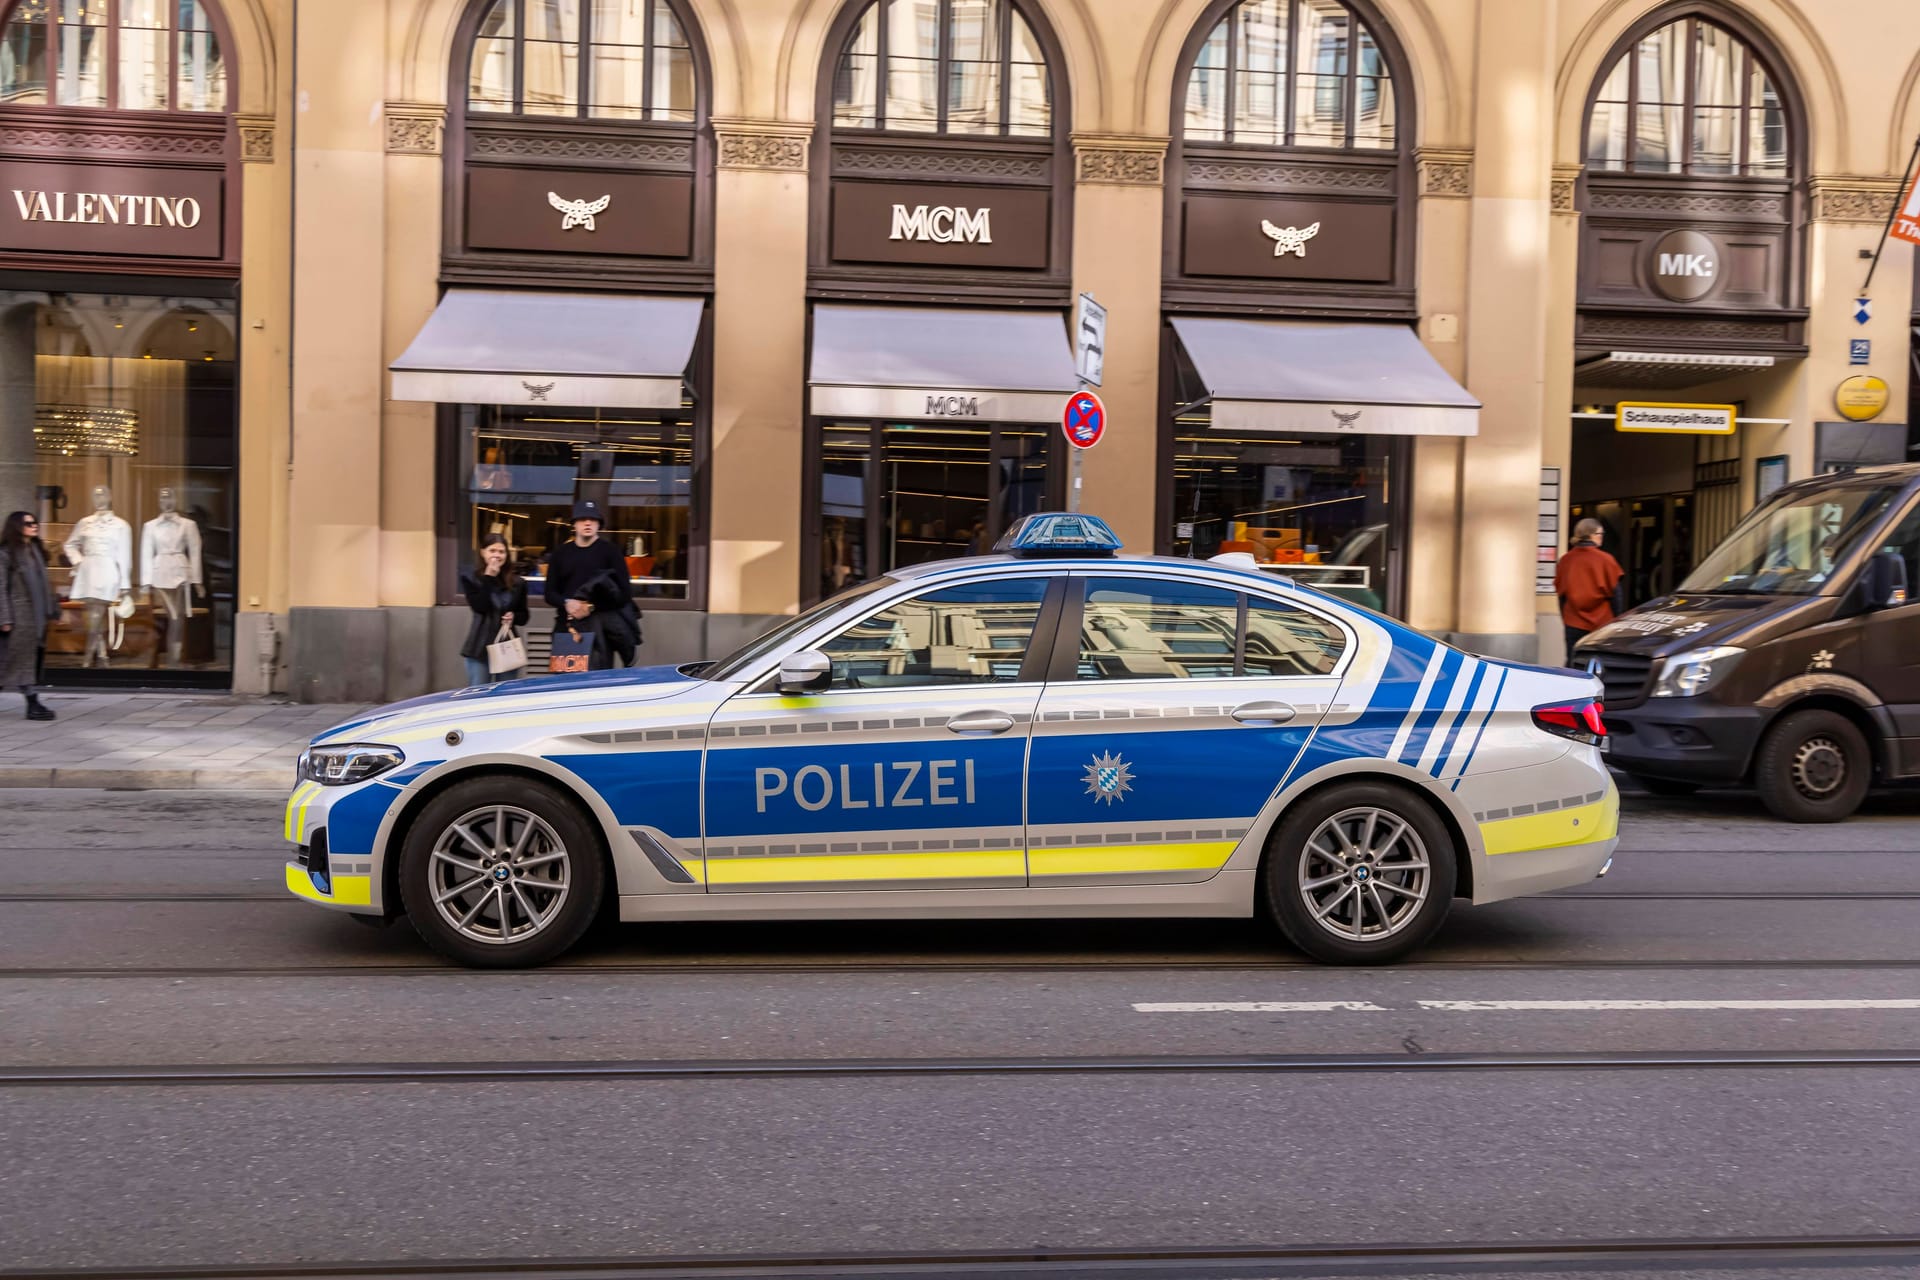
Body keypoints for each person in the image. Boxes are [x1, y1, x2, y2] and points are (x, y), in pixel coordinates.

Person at [543, 500, 636, 671]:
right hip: (567, 629)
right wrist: (567, 603)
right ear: (574, 524)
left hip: (601, 631)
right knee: (564, 685)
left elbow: (625, 594)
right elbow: (549, 593)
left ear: (599, 524)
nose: (587, 523)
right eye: (582, 519)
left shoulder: (611, 552)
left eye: (593, 519)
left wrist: (591, 607)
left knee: (597, 687)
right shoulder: (560, 554)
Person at [0, 511, 62, 721]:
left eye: (35, 522)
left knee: (17, 661)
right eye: (28, 523)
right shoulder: (6, 554)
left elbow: (44, 585)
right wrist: (5, 619)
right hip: (17, 615)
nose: (34, 525)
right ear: (16, 526)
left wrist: (52, 609)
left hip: (35, 616)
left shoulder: (35, 550)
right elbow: (1, 589)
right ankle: (32, 702)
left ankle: (32, 702)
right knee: (16, 661)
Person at [459, 533, 528, 686]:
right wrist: (489, 577)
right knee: (479, 694)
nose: (497, 555)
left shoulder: (518, 583)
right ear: (483, 552)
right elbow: (480, 607)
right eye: (492, 551)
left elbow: (524, 617)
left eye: (501, 552)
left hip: (506, 647)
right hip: (479, 647)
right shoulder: (471, 578)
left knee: (505, 694)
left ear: (507, 555)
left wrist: (514, 616)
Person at [1555, 517, 1625, 666]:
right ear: (1592, 535)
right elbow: (1616, 595)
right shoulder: (1606, 560)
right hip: (1601, 623)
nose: (1601, 538)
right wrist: (1615, 620)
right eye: (1600, 534)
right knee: (1600, 664)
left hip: (1573, 622)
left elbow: (1562, 596)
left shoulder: (1566, 561)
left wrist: (1566, 619)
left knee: (1573, 662)